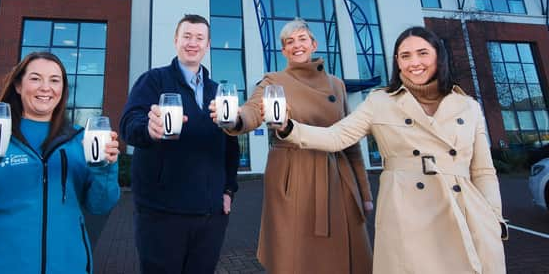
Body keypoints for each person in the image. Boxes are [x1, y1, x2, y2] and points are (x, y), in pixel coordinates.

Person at [277, 26, 507, 274]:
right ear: (397, 62)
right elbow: (337, 136)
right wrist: (289, 128)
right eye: (405, 56)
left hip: (466, 214)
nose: (414, 62)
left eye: (422, 53)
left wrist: (495, 220)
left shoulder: (468, 106)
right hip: (406, 214)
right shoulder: (380, 101)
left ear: (438, 56)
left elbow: (483, 170)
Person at [0, 52, 120, 274]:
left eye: (55, 80)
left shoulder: (79, 140)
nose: (46, 87)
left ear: (63, 89)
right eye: (35, 78)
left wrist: (106, 168)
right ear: (18, 85)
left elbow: (100, 205)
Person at [210, 18, 373, 274]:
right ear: (283, 51)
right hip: (293, 176)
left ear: (313, 44)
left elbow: (351, 142)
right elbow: (253, 111)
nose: (296, 45)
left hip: (337, 177)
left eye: (302, 39)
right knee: (297, 257)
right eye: (289, 42)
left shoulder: (337, 85)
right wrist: (234, 119)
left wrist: (364, 194)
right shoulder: (273, 81)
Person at [119, 14, 239, 274]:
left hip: (210, 216)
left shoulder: (218, 91)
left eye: (199, 38)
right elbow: (129, 124)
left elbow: (231, 145)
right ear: (175, 40)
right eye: (187, 36)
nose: (192, 43)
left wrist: (229, 189)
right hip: (161, 214)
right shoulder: (153, 81)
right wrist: (148, 128)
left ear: (208, 45)